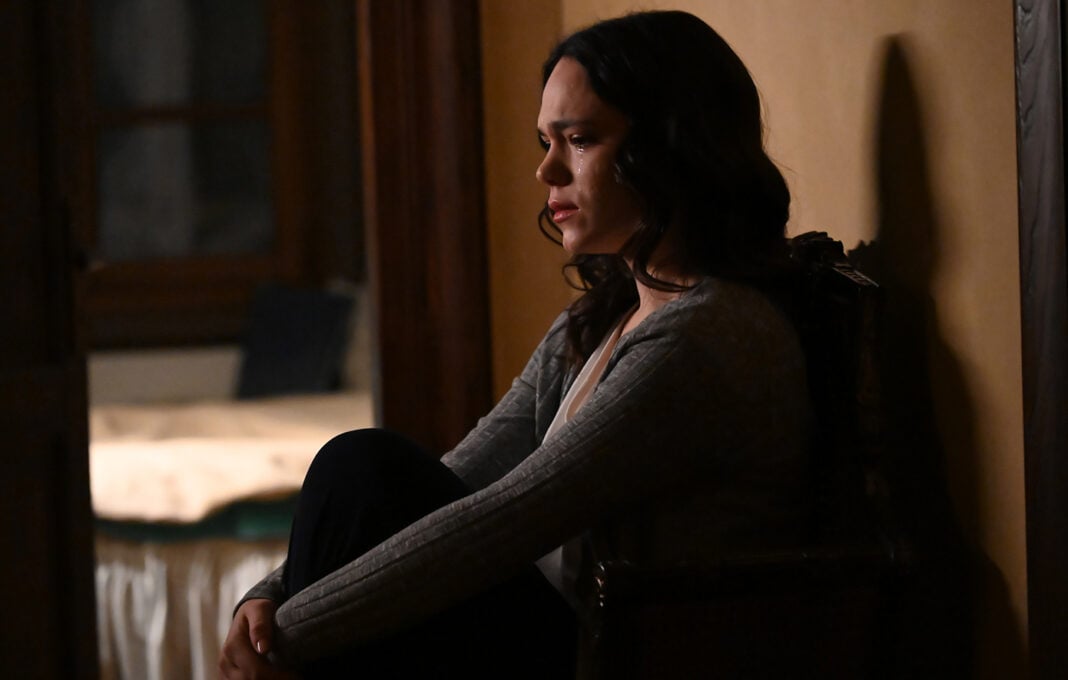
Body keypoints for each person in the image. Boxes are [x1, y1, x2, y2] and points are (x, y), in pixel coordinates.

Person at [219, 10, 810, 679]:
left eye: (579, 140)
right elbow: (463, 479)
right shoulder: (602, 318)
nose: (546, 171)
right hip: (551, 635)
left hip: (609, 657)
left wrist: (290, 636)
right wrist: (271, 597)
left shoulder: (705, 338)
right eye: (545, 141)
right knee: (363, 472)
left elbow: (504, 522)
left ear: (673, 149)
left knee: (361, 466)